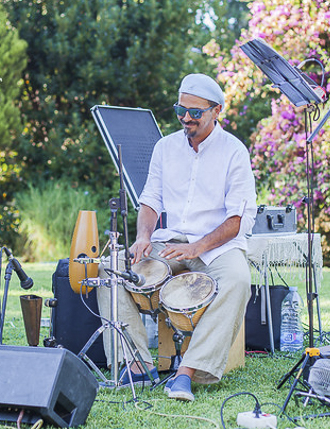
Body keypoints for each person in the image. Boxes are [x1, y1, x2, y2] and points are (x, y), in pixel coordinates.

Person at [97, 73, 257, 402]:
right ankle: (136, 366)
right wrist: (143, 236)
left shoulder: (235, 152)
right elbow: (150, 200)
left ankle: (187, 373)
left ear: (217, 111)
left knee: (239, 280)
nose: (186, 118)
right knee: (110, 267)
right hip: (169, 242)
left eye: (195, 112)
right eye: (179, 110)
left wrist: (195, 248)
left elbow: (236, 220)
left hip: (216, 246)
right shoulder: (165, 147)